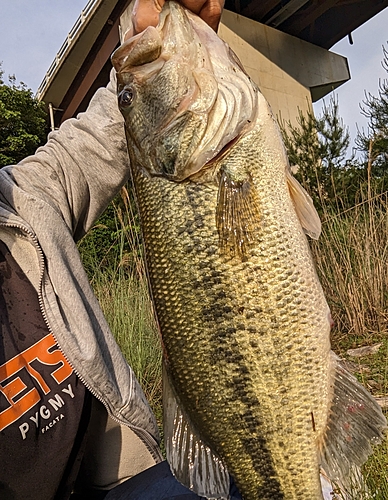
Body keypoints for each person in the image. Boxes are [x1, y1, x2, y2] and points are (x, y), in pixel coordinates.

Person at [0, 0, 242, 499]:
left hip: (123, 483)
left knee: (241, 481)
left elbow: (97, 140)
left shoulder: (21, 202)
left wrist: (144, 41)